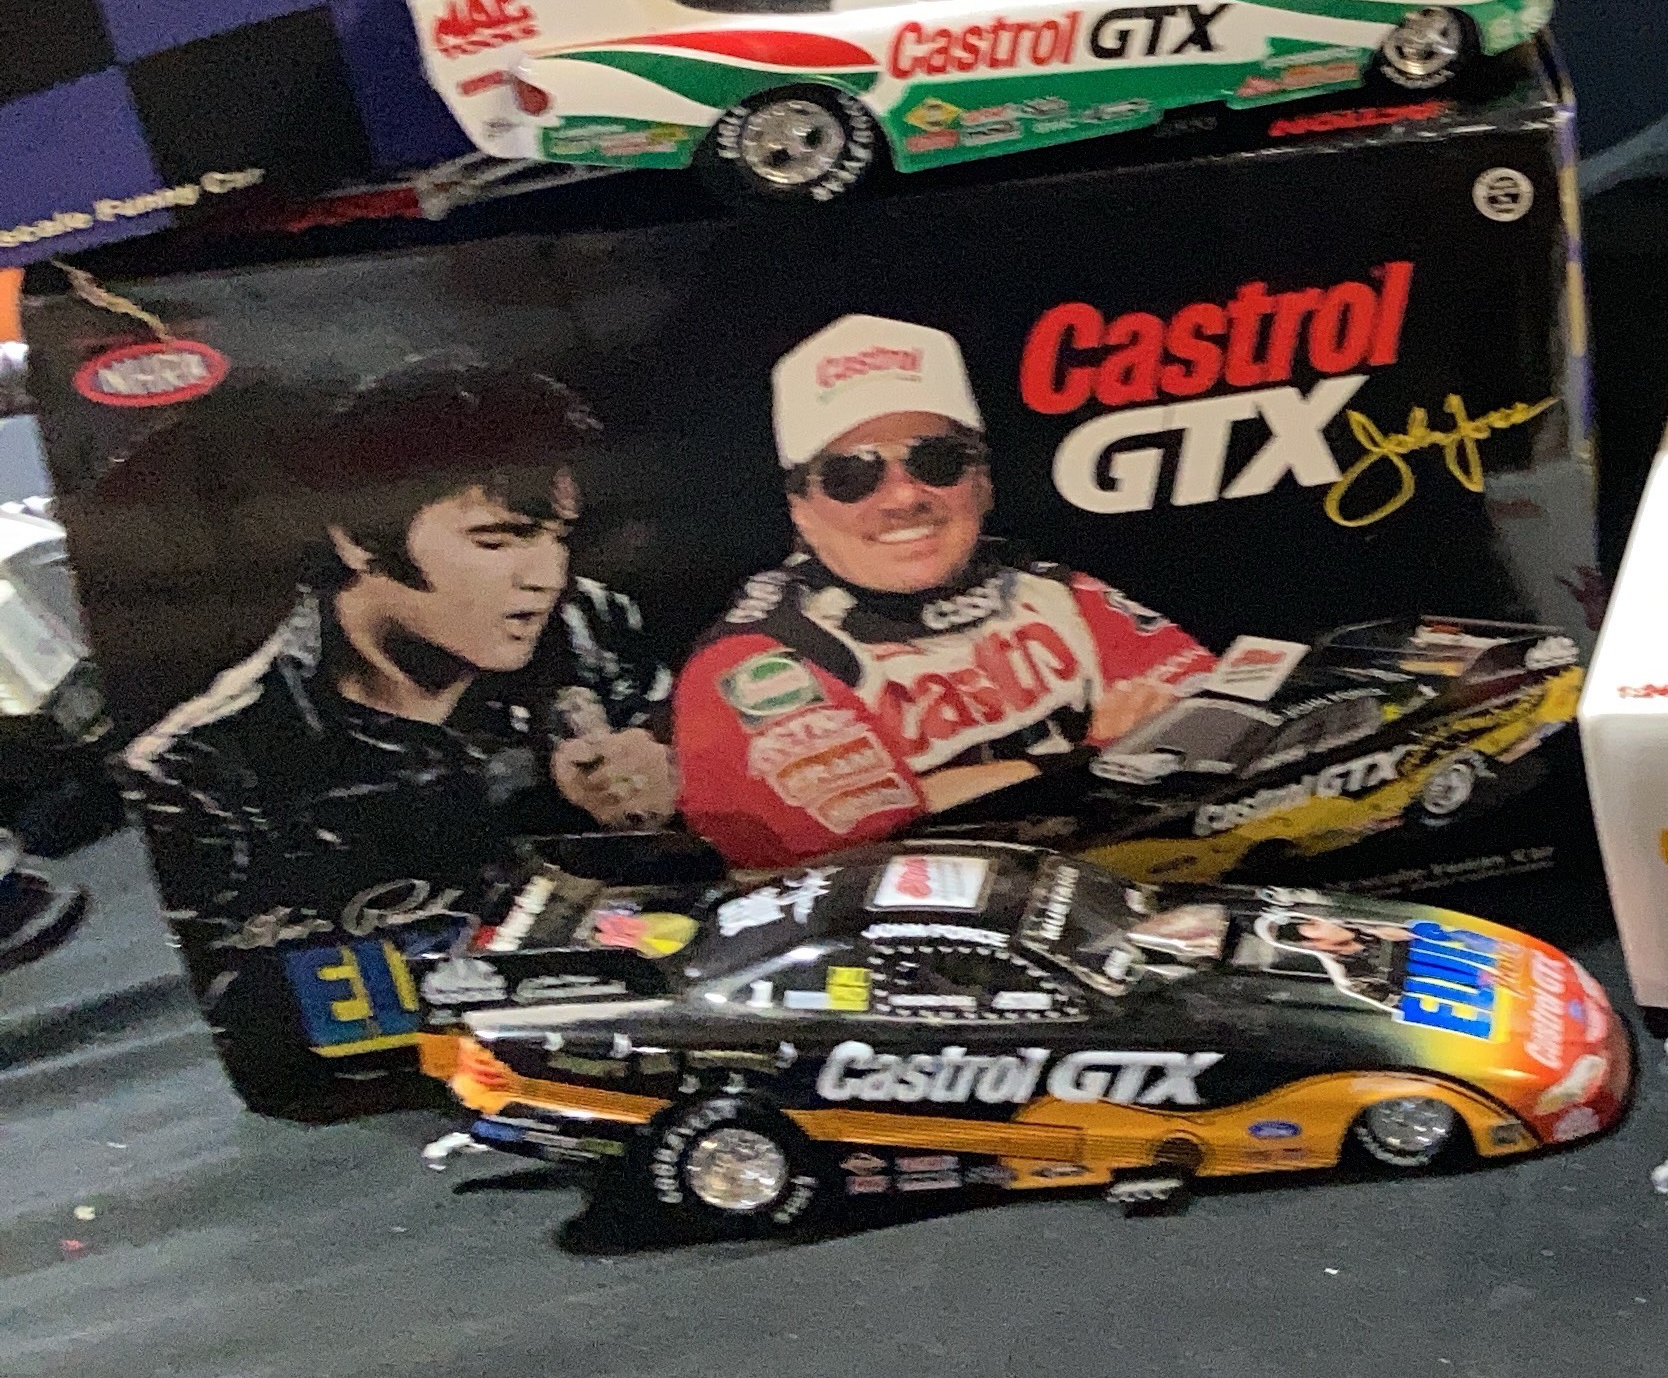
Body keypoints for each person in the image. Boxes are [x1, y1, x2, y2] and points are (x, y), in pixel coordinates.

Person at [120, 361, 673, 1100]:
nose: (544, 575)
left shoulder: (591, 627)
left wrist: (666, 790)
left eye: (556, 537)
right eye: (497, 539)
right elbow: (267, 1036)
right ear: (358, 537)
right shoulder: (201, 769)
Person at [673, 314, 1214, 868]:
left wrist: (958, 786)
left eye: (937, 461)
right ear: (801, 510)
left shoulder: (1053, 591)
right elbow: (871, 843)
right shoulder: (755, 661)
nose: (904, 497)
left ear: (983, 482)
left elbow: (1220, 723)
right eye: (851, 476)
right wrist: (1098, 759)